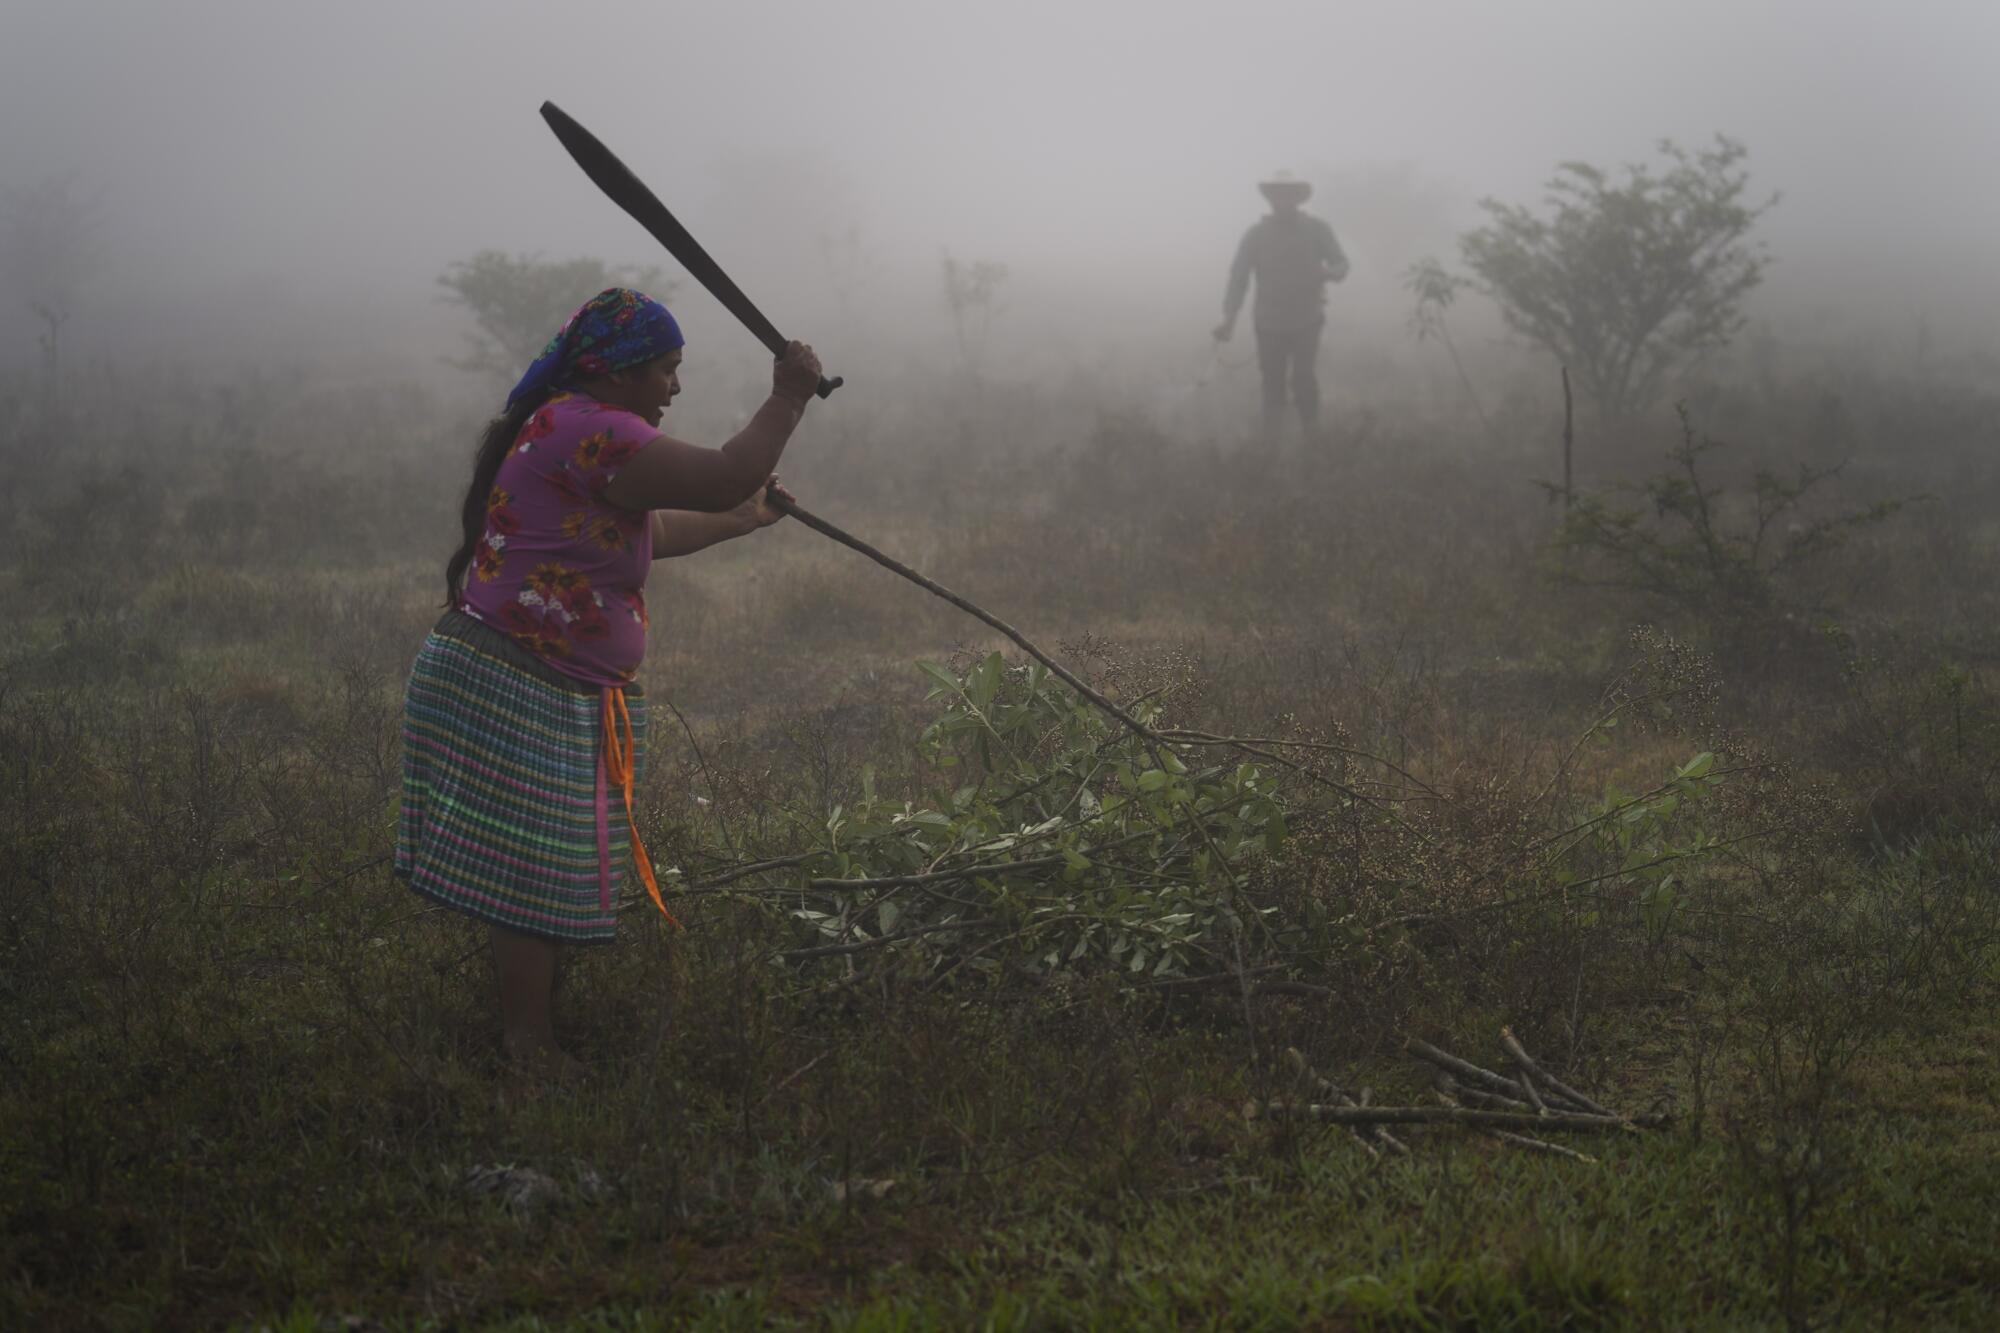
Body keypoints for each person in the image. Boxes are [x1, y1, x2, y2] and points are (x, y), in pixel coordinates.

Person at [396, 286, 823, 1078]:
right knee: (531, 870)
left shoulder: (577, 432)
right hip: (512, 679)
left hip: (535, 681)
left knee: (539, 864)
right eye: (667, 370)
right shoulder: (591, 431)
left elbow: (652, 528)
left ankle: (534, 1033)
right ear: (622, 372)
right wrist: (788, 396)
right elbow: (727, 470)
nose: (675, 387)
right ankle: (529, 1047)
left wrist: (744, 520)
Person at [1212, 170, 1350, 442]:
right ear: (1270, 198)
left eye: (1288, 194)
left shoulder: (1317, 230)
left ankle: (1312, 438)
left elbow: (1342, 264)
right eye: (1276, 194)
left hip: (1307, 319)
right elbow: (1238, 278)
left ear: (1297, 197)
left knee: (1303, 378)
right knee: (1272, 382)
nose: (1282, 199)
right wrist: (1228, 319)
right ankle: (1271, 444)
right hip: (1268, 322)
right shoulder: (1255, 235)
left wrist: (1329, 273)